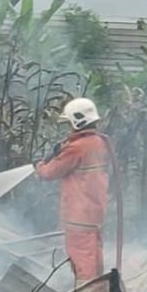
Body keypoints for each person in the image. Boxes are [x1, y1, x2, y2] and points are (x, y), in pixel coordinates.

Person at [35, 98, 110, 282]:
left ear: (78, 121)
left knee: (81, 258)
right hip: (95, 211)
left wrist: (38, 164)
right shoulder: (100, 142)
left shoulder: (76, 148)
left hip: (79, 215)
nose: (69, 126)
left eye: (69, 122)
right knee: (94, 255)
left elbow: (49, 173)